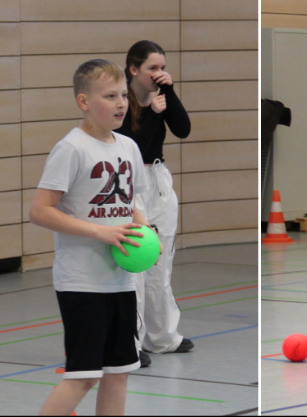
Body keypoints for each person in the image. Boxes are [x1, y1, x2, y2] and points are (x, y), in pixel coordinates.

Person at [32, 59, 155, 415]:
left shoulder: (128, 147)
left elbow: (130, 202)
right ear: (84, 102)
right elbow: (40, 210)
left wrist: (146, 230)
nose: (121, 103)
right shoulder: (71, 148)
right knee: (84, 376)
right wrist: (101, 232)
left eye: (123, 95)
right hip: (82, 282)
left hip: (121, 281)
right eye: (110, 96)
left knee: (118, 373)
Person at [116, 40, 193, 367]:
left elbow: (183, 129)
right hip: (131, 185)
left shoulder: (161, 94)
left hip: (159, 182)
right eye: (152, 68)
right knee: (135, 266)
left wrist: (169, 93)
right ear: (134, 69)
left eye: (162, 67)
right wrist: (150, 112)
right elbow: (131, 149)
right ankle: (130, 343)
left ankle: (162, 337)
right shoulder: (121, 100)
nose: (158, 73)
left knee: (161, 264)